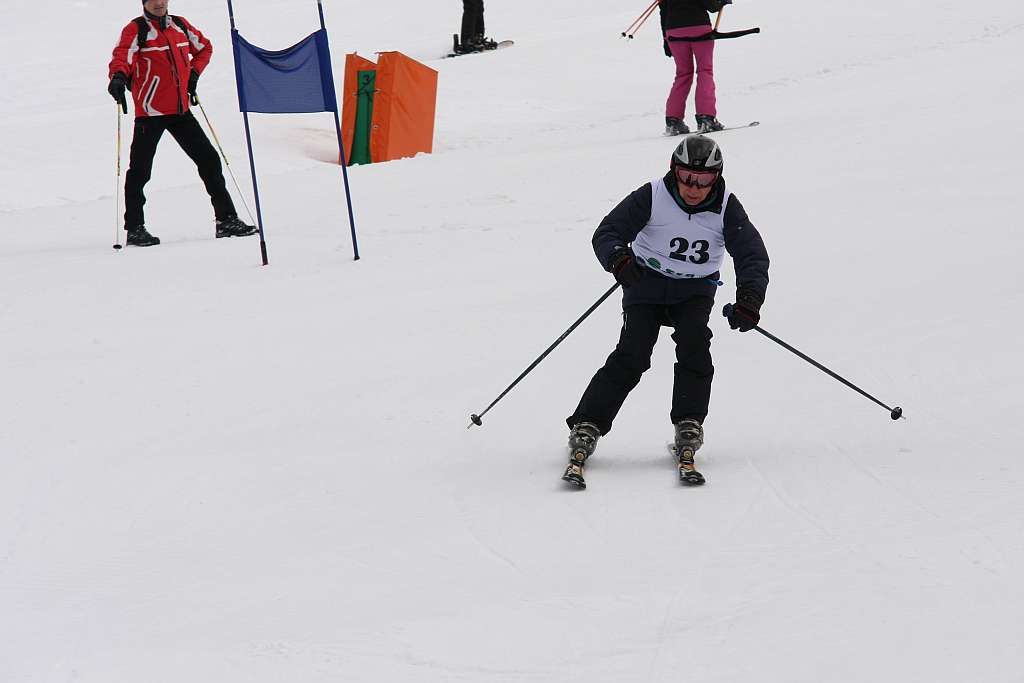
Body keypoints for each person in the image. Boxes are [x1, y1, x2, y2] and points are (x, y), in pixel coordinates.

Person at [563, 136, 769, 487]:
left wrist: (749, 299)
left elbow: (751, 255)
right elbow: (608, 231)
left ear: (716, 178)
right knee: (633, 353)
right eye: (687, 177)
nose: (694, 188)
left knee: (694, 344)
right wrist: (619, 259)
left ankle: (688, 421)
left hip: (695, 290)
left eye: (704, 180)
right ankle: (588, 423)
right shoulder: (653, 195)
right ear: (674, 171)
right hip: (646, 283)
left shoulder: (726, 207)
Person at [107, 0, 256, 247]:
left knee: (209, 159)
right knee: (140, 172)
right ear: (144, 3)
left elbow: (204, 48)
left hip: (180, 111)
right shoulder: (136, 30)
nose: (159, 3)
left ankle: (227, 220)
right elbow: (123, 56)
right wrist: (118, 78)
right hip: (150, 112)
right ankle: (135, 228)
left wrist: (193, 74)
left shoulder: (180, 25)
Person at [659, 0, 731, 136]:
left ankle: (673, 121)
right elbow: (711, 5)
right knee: (705, 71)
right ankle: (706, 117)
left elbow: (663, 11)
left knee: (682, 73)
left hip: (673, 31)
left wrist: (665, 39)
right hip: (699, 26)